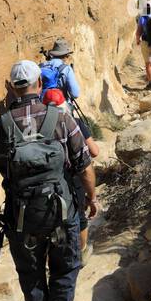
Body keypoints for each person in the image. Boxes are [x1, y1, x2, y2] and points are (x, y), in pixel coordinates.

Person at [0, 60, 96, 301]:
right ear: (39, 84)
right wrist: (91, 198)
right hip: (61, 212)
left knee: (31, 276)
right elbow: (84, 166)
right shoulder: (61, 120)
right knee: (65, 270)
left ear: (13, 88)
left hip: (20, 219)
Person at [42, 86, 99, 262]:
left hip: (44, 180)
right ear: (64, 104)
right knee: (80, 216)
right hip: (72, 178)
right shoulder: (73, 122)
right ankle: (81, 253)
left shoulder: (35, 125)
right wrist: (93, 196)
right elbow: (94, 151)